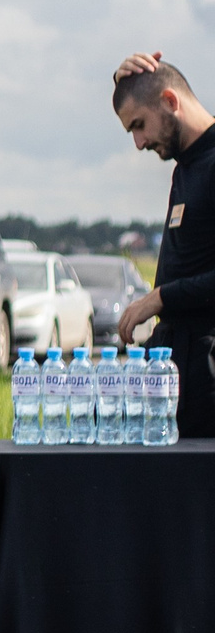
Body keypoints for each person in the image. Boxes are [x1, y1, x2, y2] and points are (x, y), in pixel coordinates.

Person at [111, 58, 215, 436]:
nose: (139, 143)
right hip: (179, 384)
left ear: (170, 101)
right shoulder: (186, 167)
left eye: (139, 125)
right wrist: (123, 83)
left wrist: (160, 297)